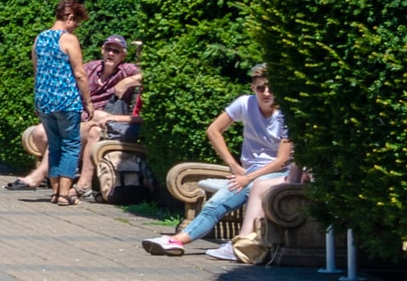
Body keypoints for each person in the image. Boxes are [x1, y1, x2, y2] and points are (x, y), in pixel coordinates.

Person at [146, 61, 294, 264]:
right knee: (214, 205)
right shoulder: (245, 103)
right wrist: (233, 165)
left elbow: (282, 159)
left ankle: (239, 244)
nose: (266, 93)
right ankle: (175, 241)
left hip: (277, 173)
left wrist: (247, 177)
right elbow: (214, 130)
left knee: (251, 189)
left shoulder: (285, 115)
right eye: (261, 88)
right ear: (253, 87)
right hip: (248, 173)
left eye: (271, 88)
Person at [9, 0, 93, 200]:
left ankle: (55, 192)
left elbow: (37, 71)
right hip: (66, 100)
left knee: (54, 144)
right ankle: (64, 194)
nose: (75, 28)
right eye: (76, 23)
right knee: (71, 144)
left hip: (44, 100)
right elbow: (80, 74)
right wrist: (88, 102)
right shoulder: (68, 39)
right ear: (70, 17)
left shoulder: (40, 38)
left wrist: (39, 98)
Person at [76, 34, 144, 201]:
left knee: (95, 129)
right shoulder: (90, 68)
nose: (111, 54)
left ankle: (82, 185)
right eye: (108, 49)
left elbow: (149, 74)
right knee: (42, 133)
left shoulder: (126, 71)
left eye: (116, 51)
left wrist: (127, 82)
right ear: (102, 50)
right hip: (81, 116)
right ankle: (65, 181)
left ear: (123, 55)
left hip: (109, 123)